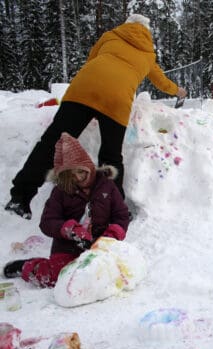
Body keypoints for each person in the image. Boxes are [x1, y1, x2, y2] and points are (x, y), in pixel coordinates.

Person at [5, 14, 188, 219]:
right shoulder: (148, 54)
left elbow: (92, 59)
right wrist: (178, 91)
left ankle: (20, 198)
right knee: (111, 156)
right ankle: (112, 211)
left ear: (127, 25)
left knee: (51, 143)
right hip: (117, 100)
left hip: (84, 89)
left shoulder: (110, 36)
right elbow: (161, 82)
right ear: (147, 33)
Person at [2, 133, 129, 288]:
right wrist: (69, 229)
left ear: (88, 166)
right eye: (72, 174)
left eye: (81, 171)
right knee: (59, 278)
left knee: (112, 274)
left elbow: (121, 215)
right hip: (67, 247)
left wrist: (112, 235)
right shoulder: (60, 191)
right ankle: (27, 267)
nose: (78, 177)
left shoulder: (107, 186)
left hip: (100, 245)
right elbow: (47, 222)